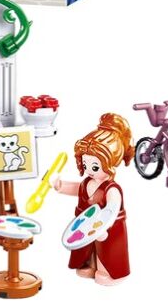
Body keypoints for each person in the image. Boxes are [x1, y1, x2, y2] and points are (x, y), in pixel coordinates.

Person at [53, 113, 134, 285]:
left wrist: (104, 226)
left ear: (110, 164)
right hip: (84, 223)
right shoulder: (87, 182)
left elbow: (112, 208)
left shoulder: (112, 189)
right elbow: (77, 189)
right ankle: (89, 265)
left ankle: (107, 272)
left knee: (106, 250)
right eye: (85, 164)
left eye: (95, 166)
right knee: (86, 248)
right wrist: (60, 186)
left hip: (107, 229)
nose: (89, 170)